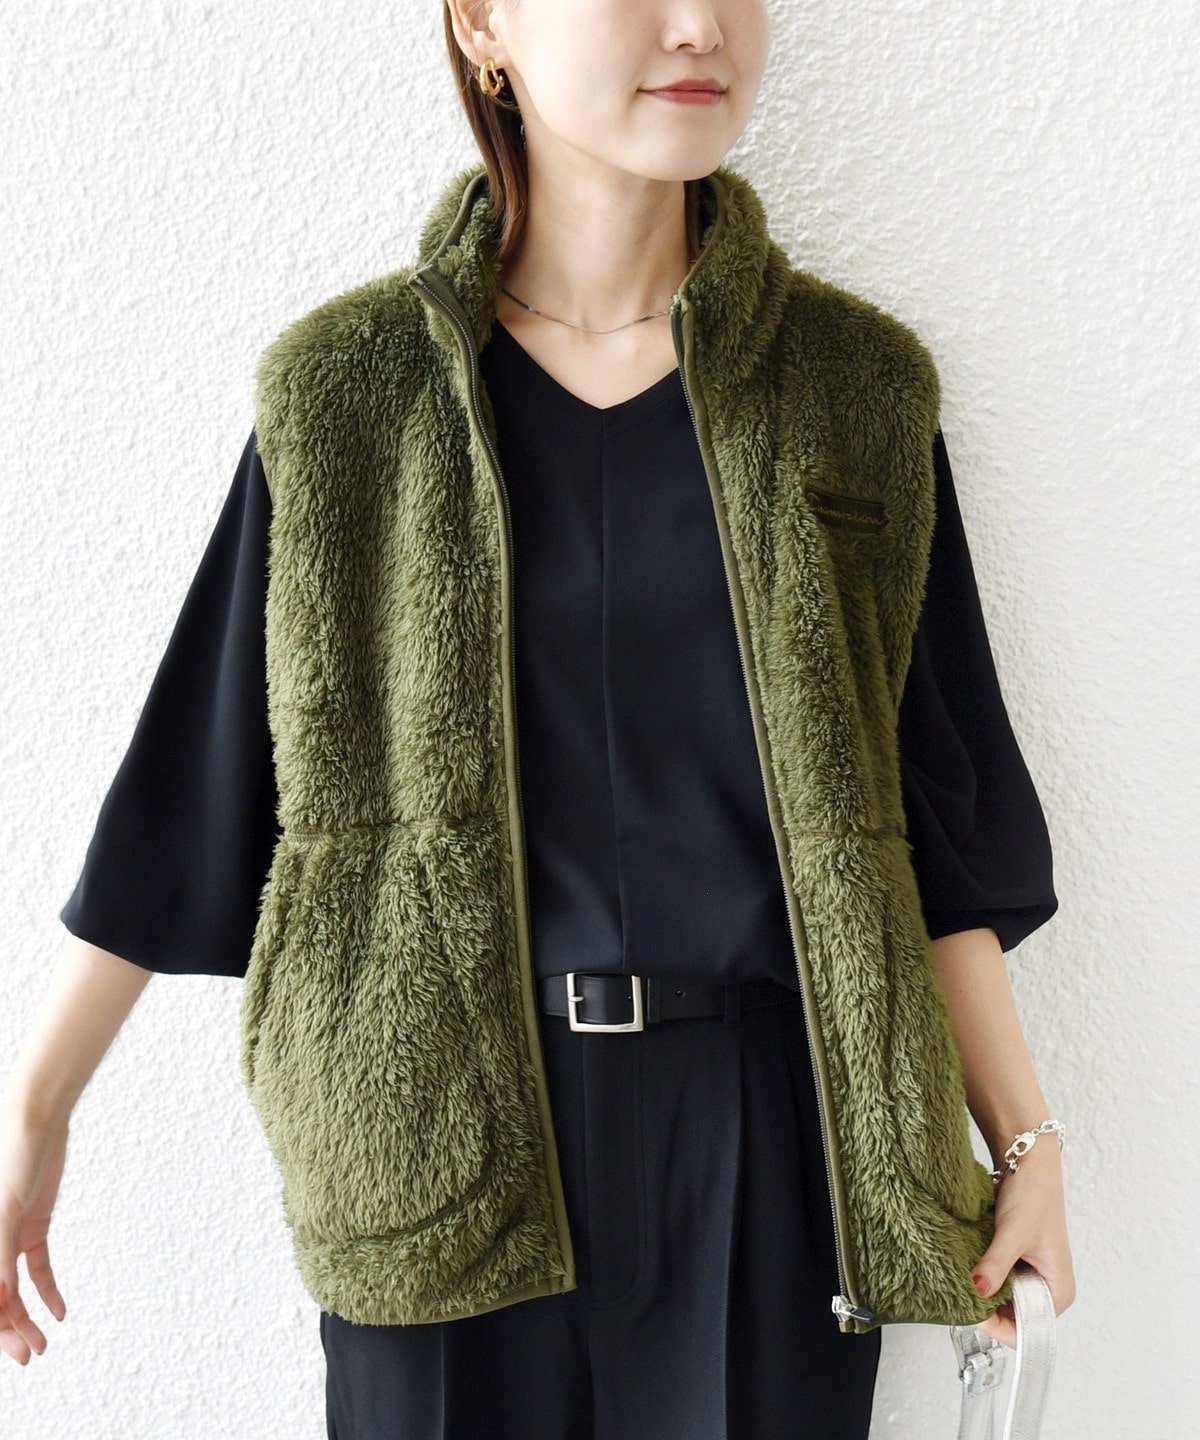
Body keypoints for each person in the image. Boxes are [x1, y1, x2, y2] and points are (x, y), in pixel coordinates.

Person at [1, 1, 1076, 1435]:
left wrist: (1026, 1141)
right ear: (483, 23)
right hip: (437, 1137)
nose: (696, 27)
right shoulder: (350, 397)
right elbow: (193, 794)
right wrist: (35, 1112)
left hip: (770, 1151)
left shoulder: (852, 392)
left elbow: (932, 820)